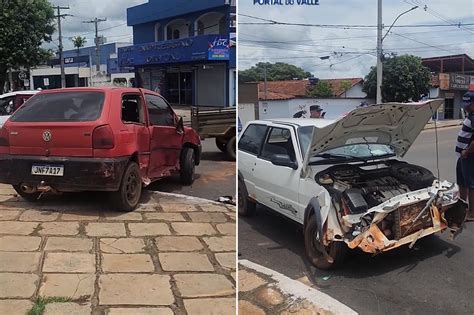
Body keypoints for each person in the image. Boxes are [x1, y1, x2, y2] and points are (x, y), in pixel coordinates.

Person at [456, 91, 474, 221]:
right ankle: (462, 209)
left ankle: (472, 213)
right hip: (462, 156)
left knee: (470, 185)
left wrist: (467, 152)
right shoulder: (470, 115)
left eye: (469, 104)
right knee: (461, 183)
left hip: (469, 156)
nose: (466, 107)